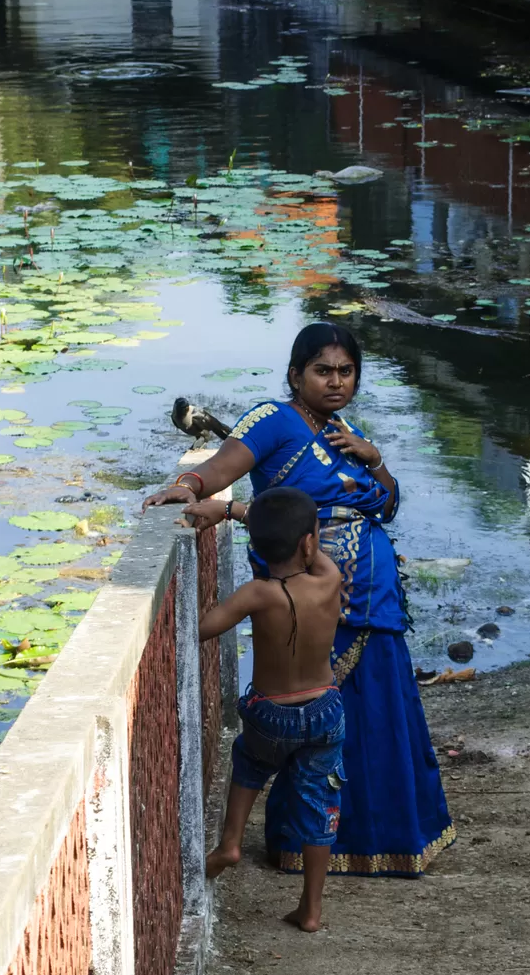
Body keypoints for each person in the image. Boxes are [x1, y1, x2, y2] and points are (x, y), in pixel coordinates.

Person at [144, 322, 455, 877]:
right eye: (323, 370)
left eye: (346, 371)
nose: (336, 381)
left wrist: (374, 455)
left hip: (370, 596)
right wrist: (190, 488)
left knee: (374, 712)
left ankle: (387, 838)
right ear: (295, 375)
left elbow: (385, 505)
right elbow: (223, 467)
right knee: (317, 715)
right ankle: (311, 846)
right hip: (312, 600)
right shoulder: (274, 420)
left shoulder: (344, 431)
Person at [199, 487, 343, 932]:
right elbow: (313, 551)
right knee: (318, 802)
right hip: (324, 710)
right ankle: (311, 909)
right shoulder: (330, 580)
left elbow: (203, 628)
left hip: (271, 714)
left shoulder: (257, 594)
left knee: (248, 762)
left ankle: (230, 844)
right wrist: (244, 513)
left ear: (257, 547)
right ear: (309, 542)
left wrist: (234, 515)